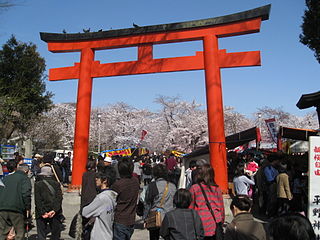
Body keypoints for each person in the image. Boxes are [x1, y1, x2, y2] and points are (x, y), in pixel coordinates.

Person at [189, 163, 225, 240]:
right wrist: (221, 221)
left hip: (201, 222)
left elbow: (191, 208)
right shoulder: (216, 189)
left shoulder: (194, 188)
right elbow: (221, 208)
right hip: (215, 221)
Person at [82, 166, 118, 240]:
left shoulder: (101, 198)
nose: (96, 179)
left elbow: (85, 212)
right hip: (109, 234)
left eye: (98, 177)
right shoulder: (114, 195)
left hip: (100, 235)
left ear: (105, 180)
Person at [0, 160, 32, 240]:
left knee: (2, 232)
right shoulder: (25, 179)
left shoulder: (5, 178)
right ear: (26, 171)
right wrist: (28, 208)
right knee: (19, 232)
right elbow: (26, 194)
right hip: (17, 208)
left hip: (2, 208)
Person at [144, 164, 177, 240]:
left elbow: (148, 203)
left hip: (155, 217)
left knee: (154, 237)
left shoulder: (152, 185)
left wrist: (145, 218)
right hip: (169, 216)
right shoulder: (173, 186)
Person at [111, 157, 140, 240]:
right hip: (131, 218)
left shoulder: (118, 185)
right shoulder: (135, 181)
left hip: (120, 219)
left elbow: (111, 200)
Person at [34, 166, 63, 240]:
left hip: (41, 212)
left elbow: (37, 200)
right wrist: (54, 210)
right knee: (55, 234)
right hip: (54, 212)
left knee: (41, 233)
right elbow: (59, 198)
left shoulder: (38, 184)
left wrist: (42, 212)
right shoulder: (56, 184)